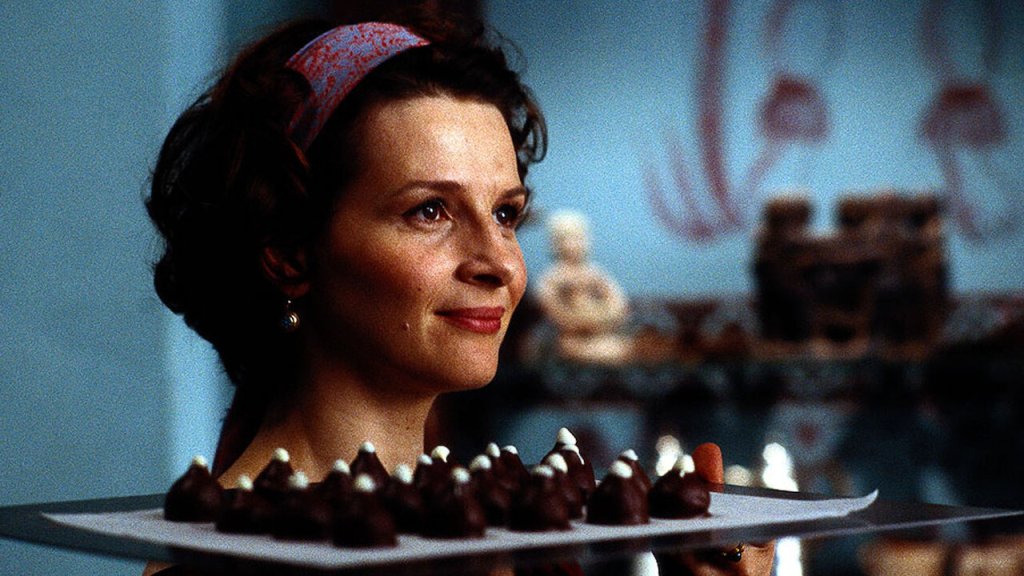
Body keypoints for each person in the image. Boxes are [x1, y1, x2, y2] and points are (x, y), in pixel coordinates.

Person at [144, 11, 772, 576]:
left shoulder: (506, 530)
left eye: (505, 214)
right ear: (288, 250)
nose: (499, 263)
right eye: (429, 211)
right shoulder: (221, 564)